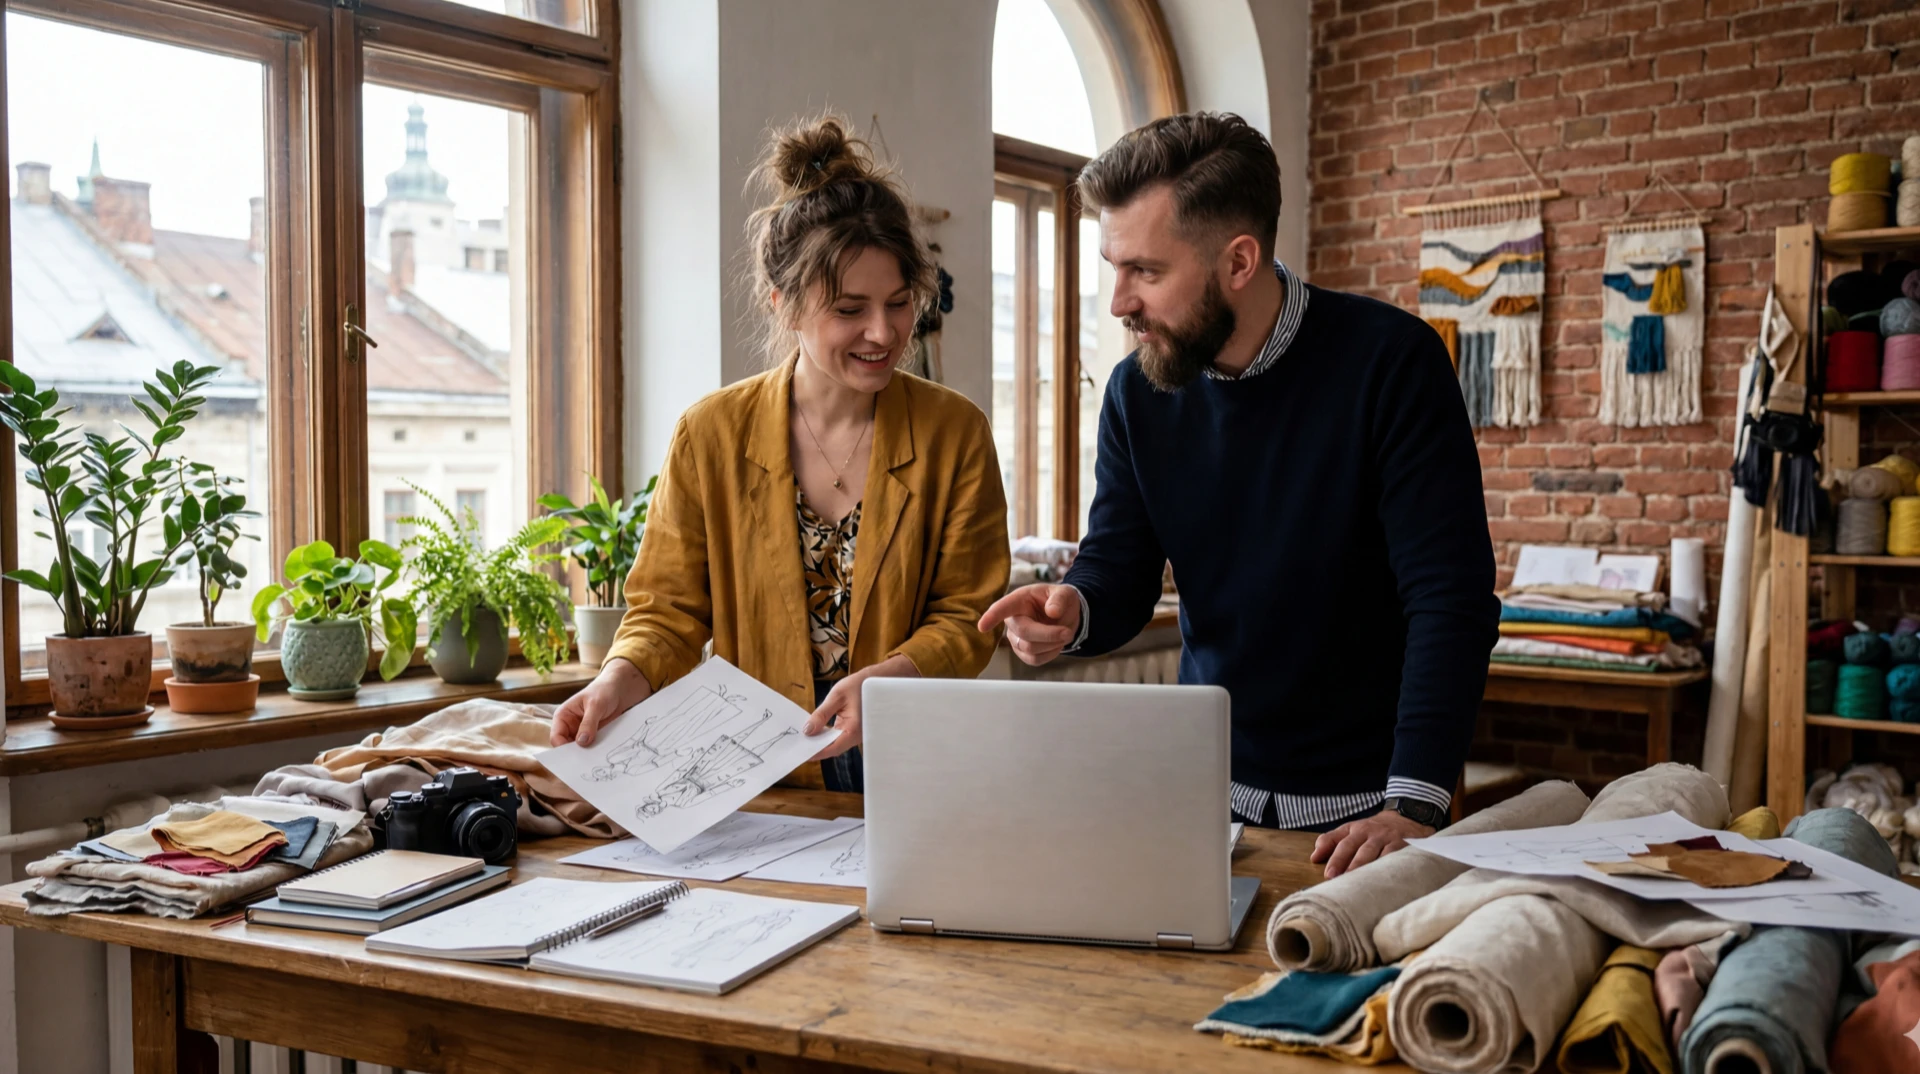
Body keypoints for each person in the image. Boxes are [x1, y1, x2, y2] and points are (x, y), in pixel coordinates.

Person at [980, 112, 1497, 878]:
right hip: (1205, 804)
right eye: (1111, 267)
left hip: (1375, 815)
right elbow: (1118, 568)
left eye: (1146, 272)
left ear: (1239, 261)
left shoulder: (1393, 364)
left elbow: (1450, 598)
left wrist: (1414, 802)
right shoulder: (1135, 392)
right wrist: (1072, 611)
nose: (1119, 301)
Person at [552, 115, 1011, 793]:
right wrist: (620, 678)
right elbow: (668, 612)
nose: (883, 332)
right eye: (850, 309)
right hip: (756, 780)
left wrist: (894, 677)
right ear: (784, 306)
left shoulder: (955, 433)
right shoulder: (709, 434)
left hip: (913, 769)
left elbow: (968, 613)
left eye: (898, 303)